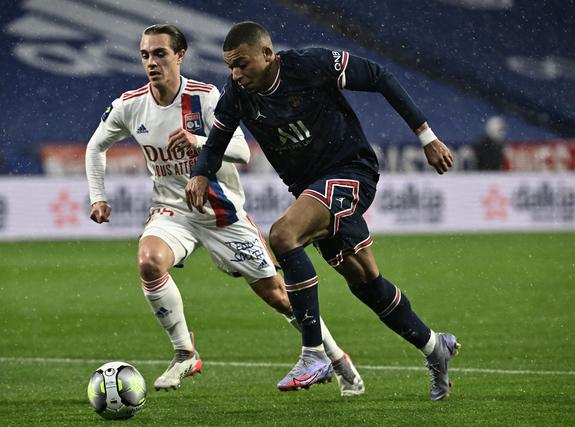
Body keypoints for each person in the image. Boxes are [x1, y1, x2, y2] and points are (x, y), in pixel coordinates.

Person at [186, 21, 460, 401]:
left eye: (243, 64)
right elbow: (215, 144)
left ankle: (313, 354)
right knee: (367, 285)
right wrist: (200, 174)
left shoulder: (310, 65)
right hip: (309, 190)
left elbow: (378, 75)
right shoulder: (237, 93)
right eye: (231, 65)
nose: (236, 74)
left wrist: (426, 137)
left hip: (350, 172)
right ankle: (435, 347)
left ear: (268, 54)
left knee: (283, 235)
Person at [85, 24, 364, 397]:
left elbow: (244, 152)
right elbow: (95, 147)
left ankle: (339, 360)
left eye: (160, 54)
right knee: (149, 261)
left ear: (180, 56)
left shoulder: (206, 97)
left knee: (280, 297)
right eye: (145, 55)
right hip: (173, 211)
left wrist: (200, 141)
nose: (151, 62)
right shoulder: (129, 105)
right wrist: (97, 197)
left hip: (223, 215)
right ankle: (185, 352)